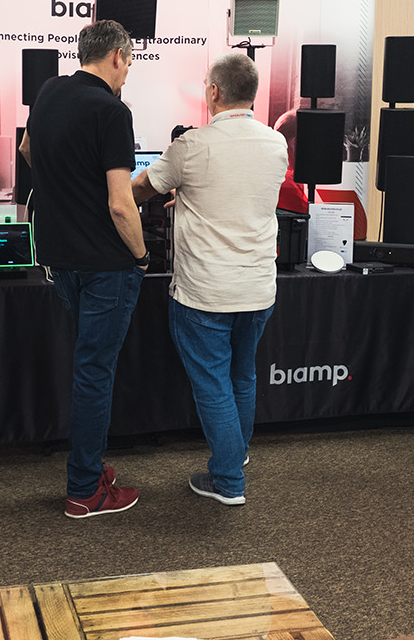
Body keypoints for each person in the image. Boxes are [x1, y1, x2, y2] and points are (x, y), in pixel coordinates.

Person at [132, 53, 286, 505]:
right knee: (242, 375)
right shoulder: (276, 143)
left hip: (205, 293)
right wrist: (190, 197)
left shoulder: (192, 145)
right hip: (257, 288)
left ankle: (228, 480)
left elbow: (139, 190)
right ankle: (236, 453)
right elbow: (239, 193)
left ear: (214, 91)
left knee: (213, 383)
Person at [19, 19, 148, 518]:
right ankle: (85, 490)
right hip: (105, 265)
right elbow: (120, 203)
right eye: (129, 62)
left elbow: (28, 151)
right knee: (95, 373)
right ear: (116, 56)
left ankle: (89, 467)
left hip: (61, 259)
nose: (128, 72)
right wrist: (141, 255)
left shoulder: (49, 91)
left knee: (88, 366)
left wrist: (65, 188)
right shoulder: (113, 111)